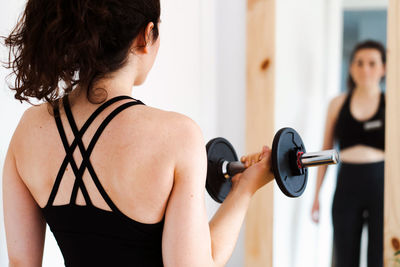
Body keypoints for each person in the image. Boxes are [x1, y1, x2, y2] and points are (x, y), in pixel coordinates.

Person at [2, 1, 274, 266]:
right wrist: (244, 188)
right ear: (146, 36)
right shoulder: (177, 136)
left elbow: (21, 262)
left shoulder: (29, 129)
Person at [311, 40, 386, 267]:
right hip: (347, 185)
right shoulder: (337, 104)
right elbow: (325, 152)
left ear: (383, 68)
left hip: (381, 186)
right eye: (359, 63)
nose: (365, 69)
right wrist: (316, 196)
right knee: (344, 257)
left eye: (372, 63)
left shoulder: (392, 104)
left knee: (378, 258)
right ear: (351, 67)